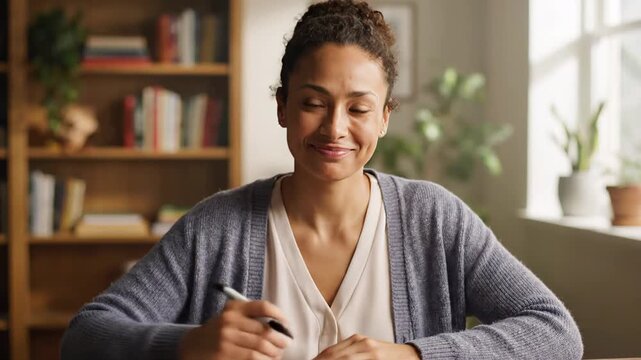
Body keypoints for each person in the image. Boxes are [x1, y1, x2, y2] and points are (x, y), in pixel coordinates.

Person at [61, 0, 583, 359]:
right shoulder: (217, 226)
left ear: (384, 117)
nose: (335, 128)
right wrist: (187, 345)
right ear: (283, 107)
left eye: (358, 108)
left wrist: (412, 353)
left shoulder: (434, 218)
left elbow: (556, 333)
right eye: (313, 103)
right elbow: (84, 337)